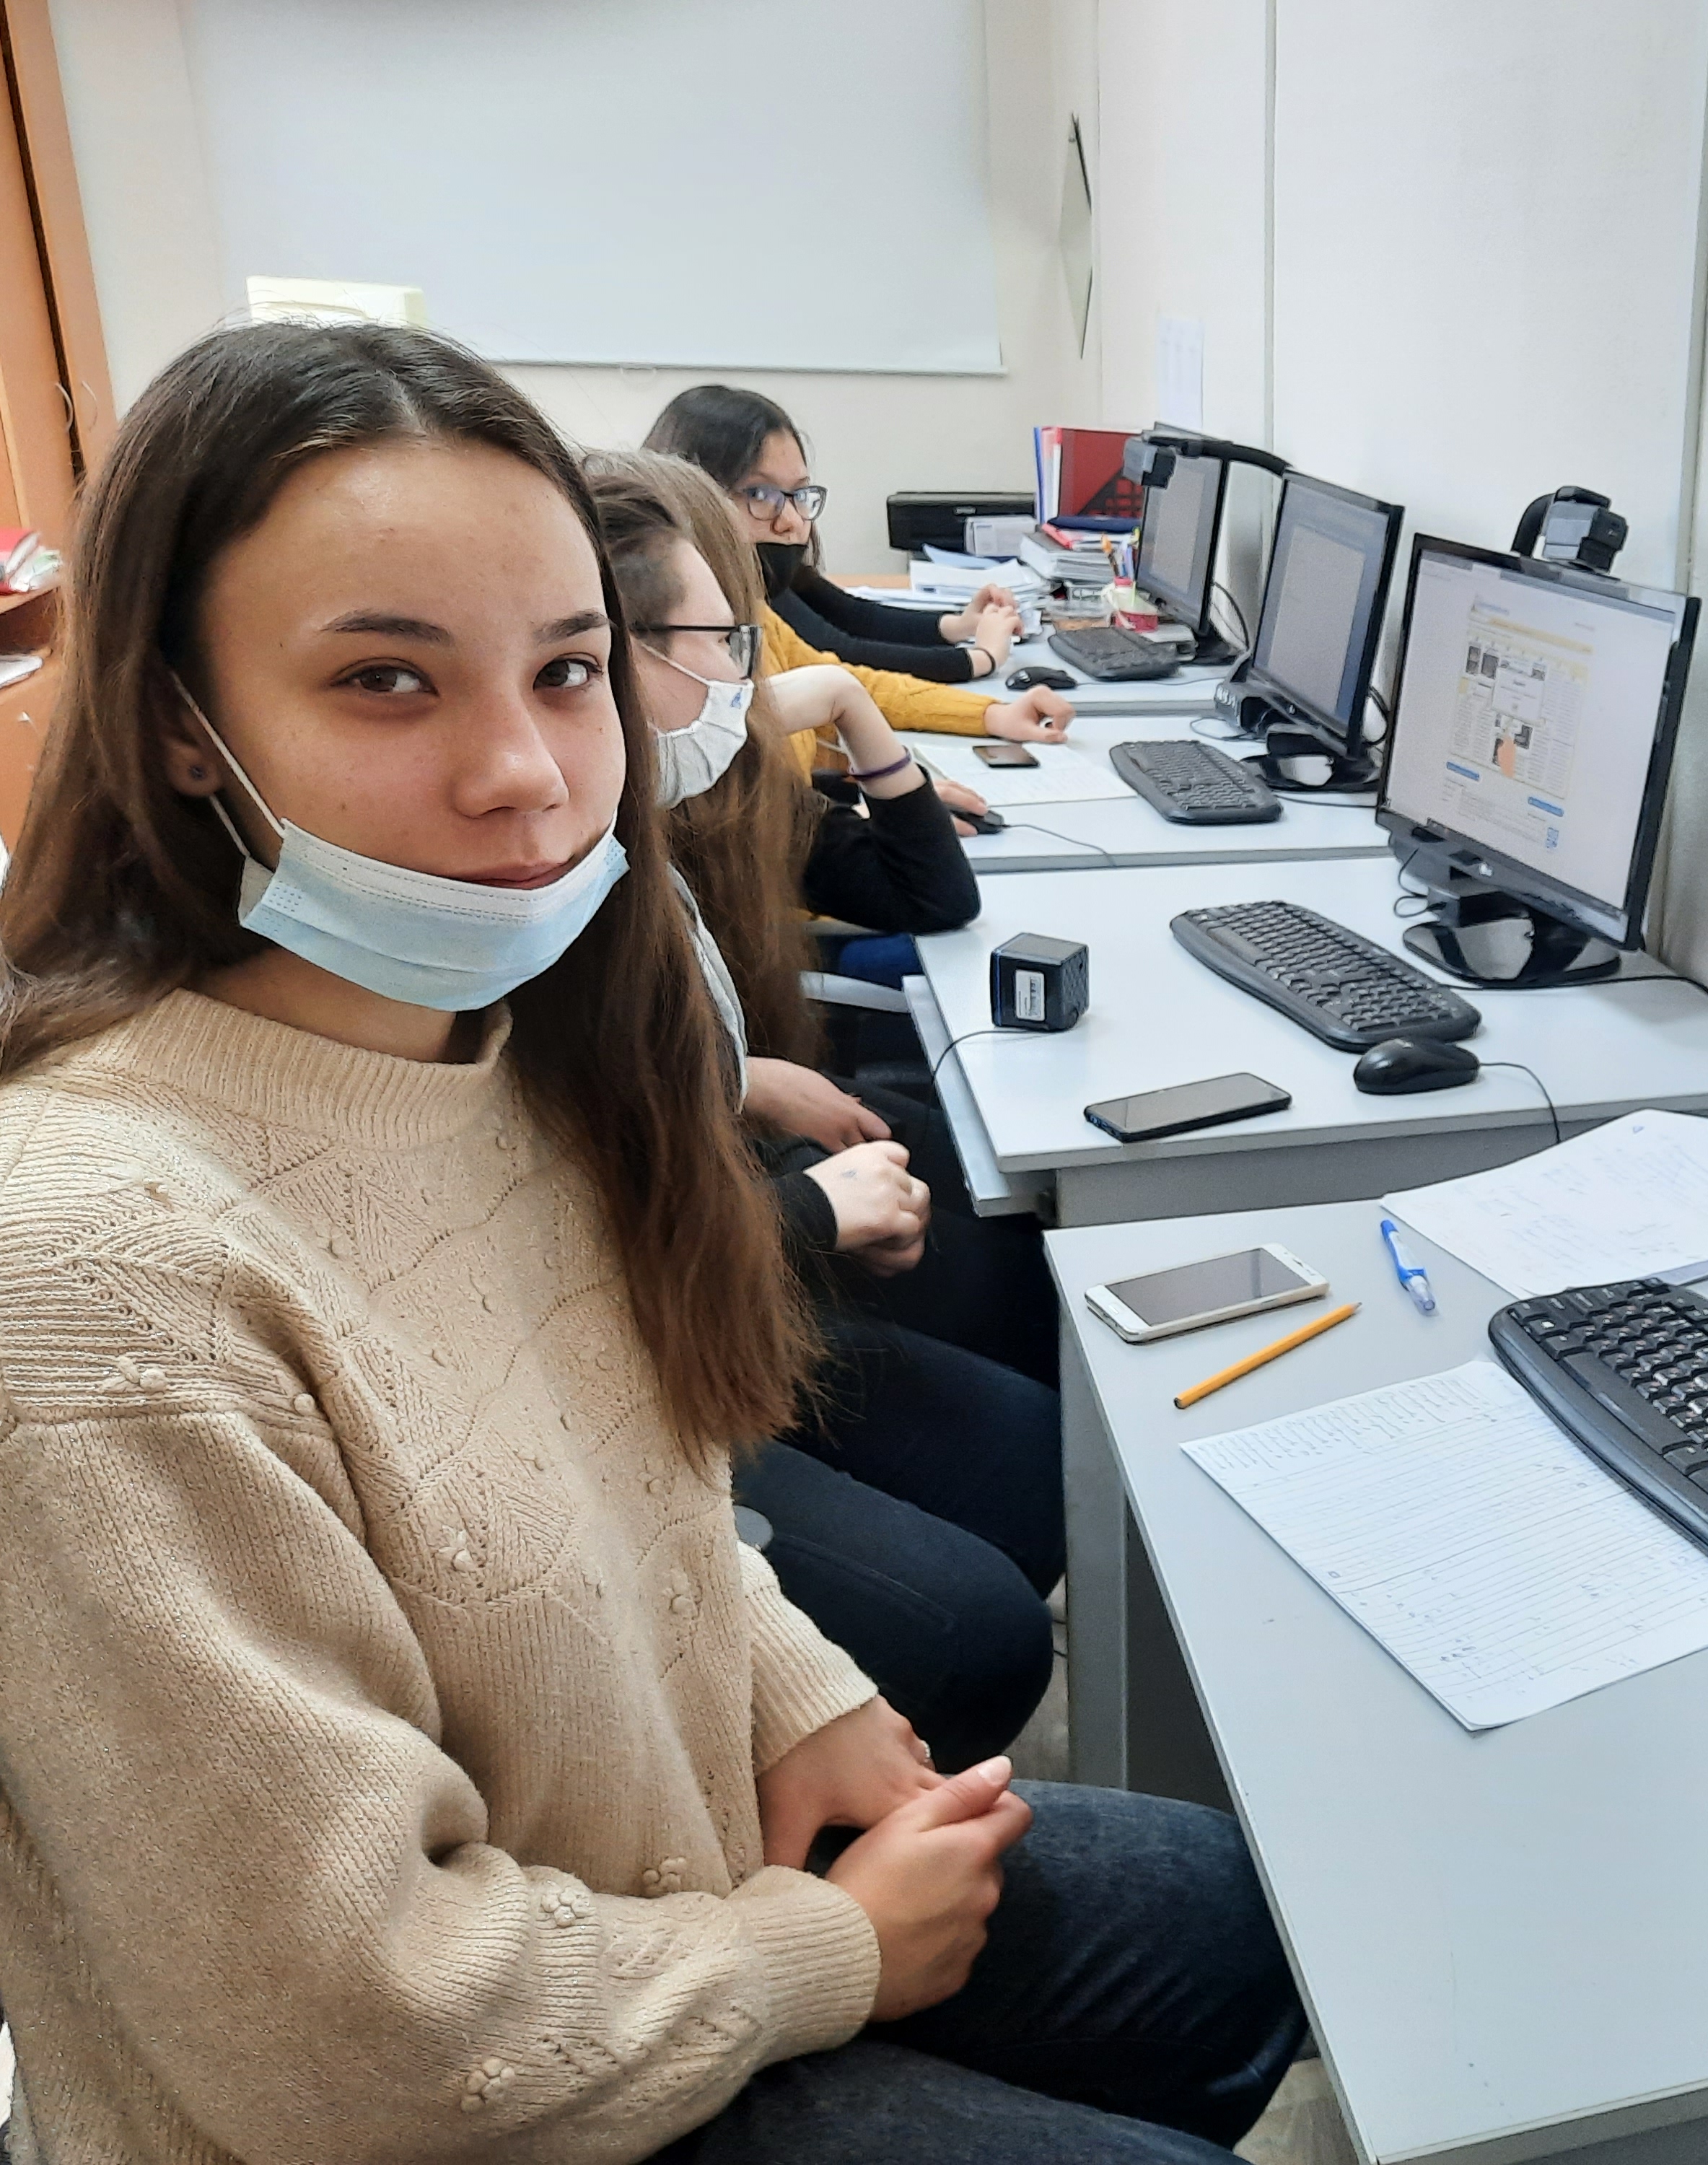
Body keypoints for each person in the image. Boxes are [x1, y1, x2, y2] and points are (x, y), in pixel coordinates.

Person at [0, 318, 1299, 2161]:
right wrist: (821, 1957)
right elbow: (338, 2044)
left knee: (1235, 1922)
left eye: (566, 670)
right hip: (429, 2097)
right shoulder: (90, 1276)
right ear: (173, 726)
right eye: (386, 680)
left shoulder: (507, 1049)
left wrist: (793, 1687)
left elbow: (639, 1491)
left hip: (661, 1867)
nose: (526, 773)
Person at [587, 450, 1061, 1761]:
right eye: (726, 642)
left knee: (1012, 1336)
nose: (748, 672)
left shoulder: (697, 798)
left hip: (712, 1250)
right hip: (659, 1332)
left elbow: (935, 898)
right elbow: (573, 1237)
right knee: (989, 1589)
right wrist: (807, 1209)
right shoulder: (546, 877)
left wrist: (850, 707)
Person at [644, 384, 1073, 745]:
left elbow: (843, 669)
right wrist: (980, 659)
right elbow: (839, 657)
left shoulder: (756, 607)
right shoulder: (680, 646)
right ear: (690, 495)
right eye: (759, 494)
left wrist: (988, 706)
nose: (792, 521)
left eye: (799, 494)